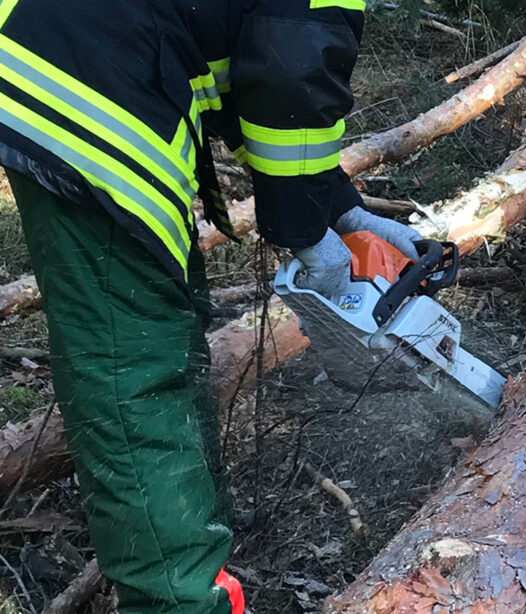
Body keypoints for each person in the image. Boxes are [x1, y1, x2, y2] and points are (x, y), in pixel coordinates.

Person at [0, 0, 420, 611]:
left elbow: (273, 73)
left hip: (98, 52)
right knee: (138, 368)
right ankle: (179, 600)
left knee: (164, 327)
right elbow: (289, 69)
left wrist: (335, 205)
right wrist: (304, 228)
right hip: (86, 77)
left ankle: (194, 547)